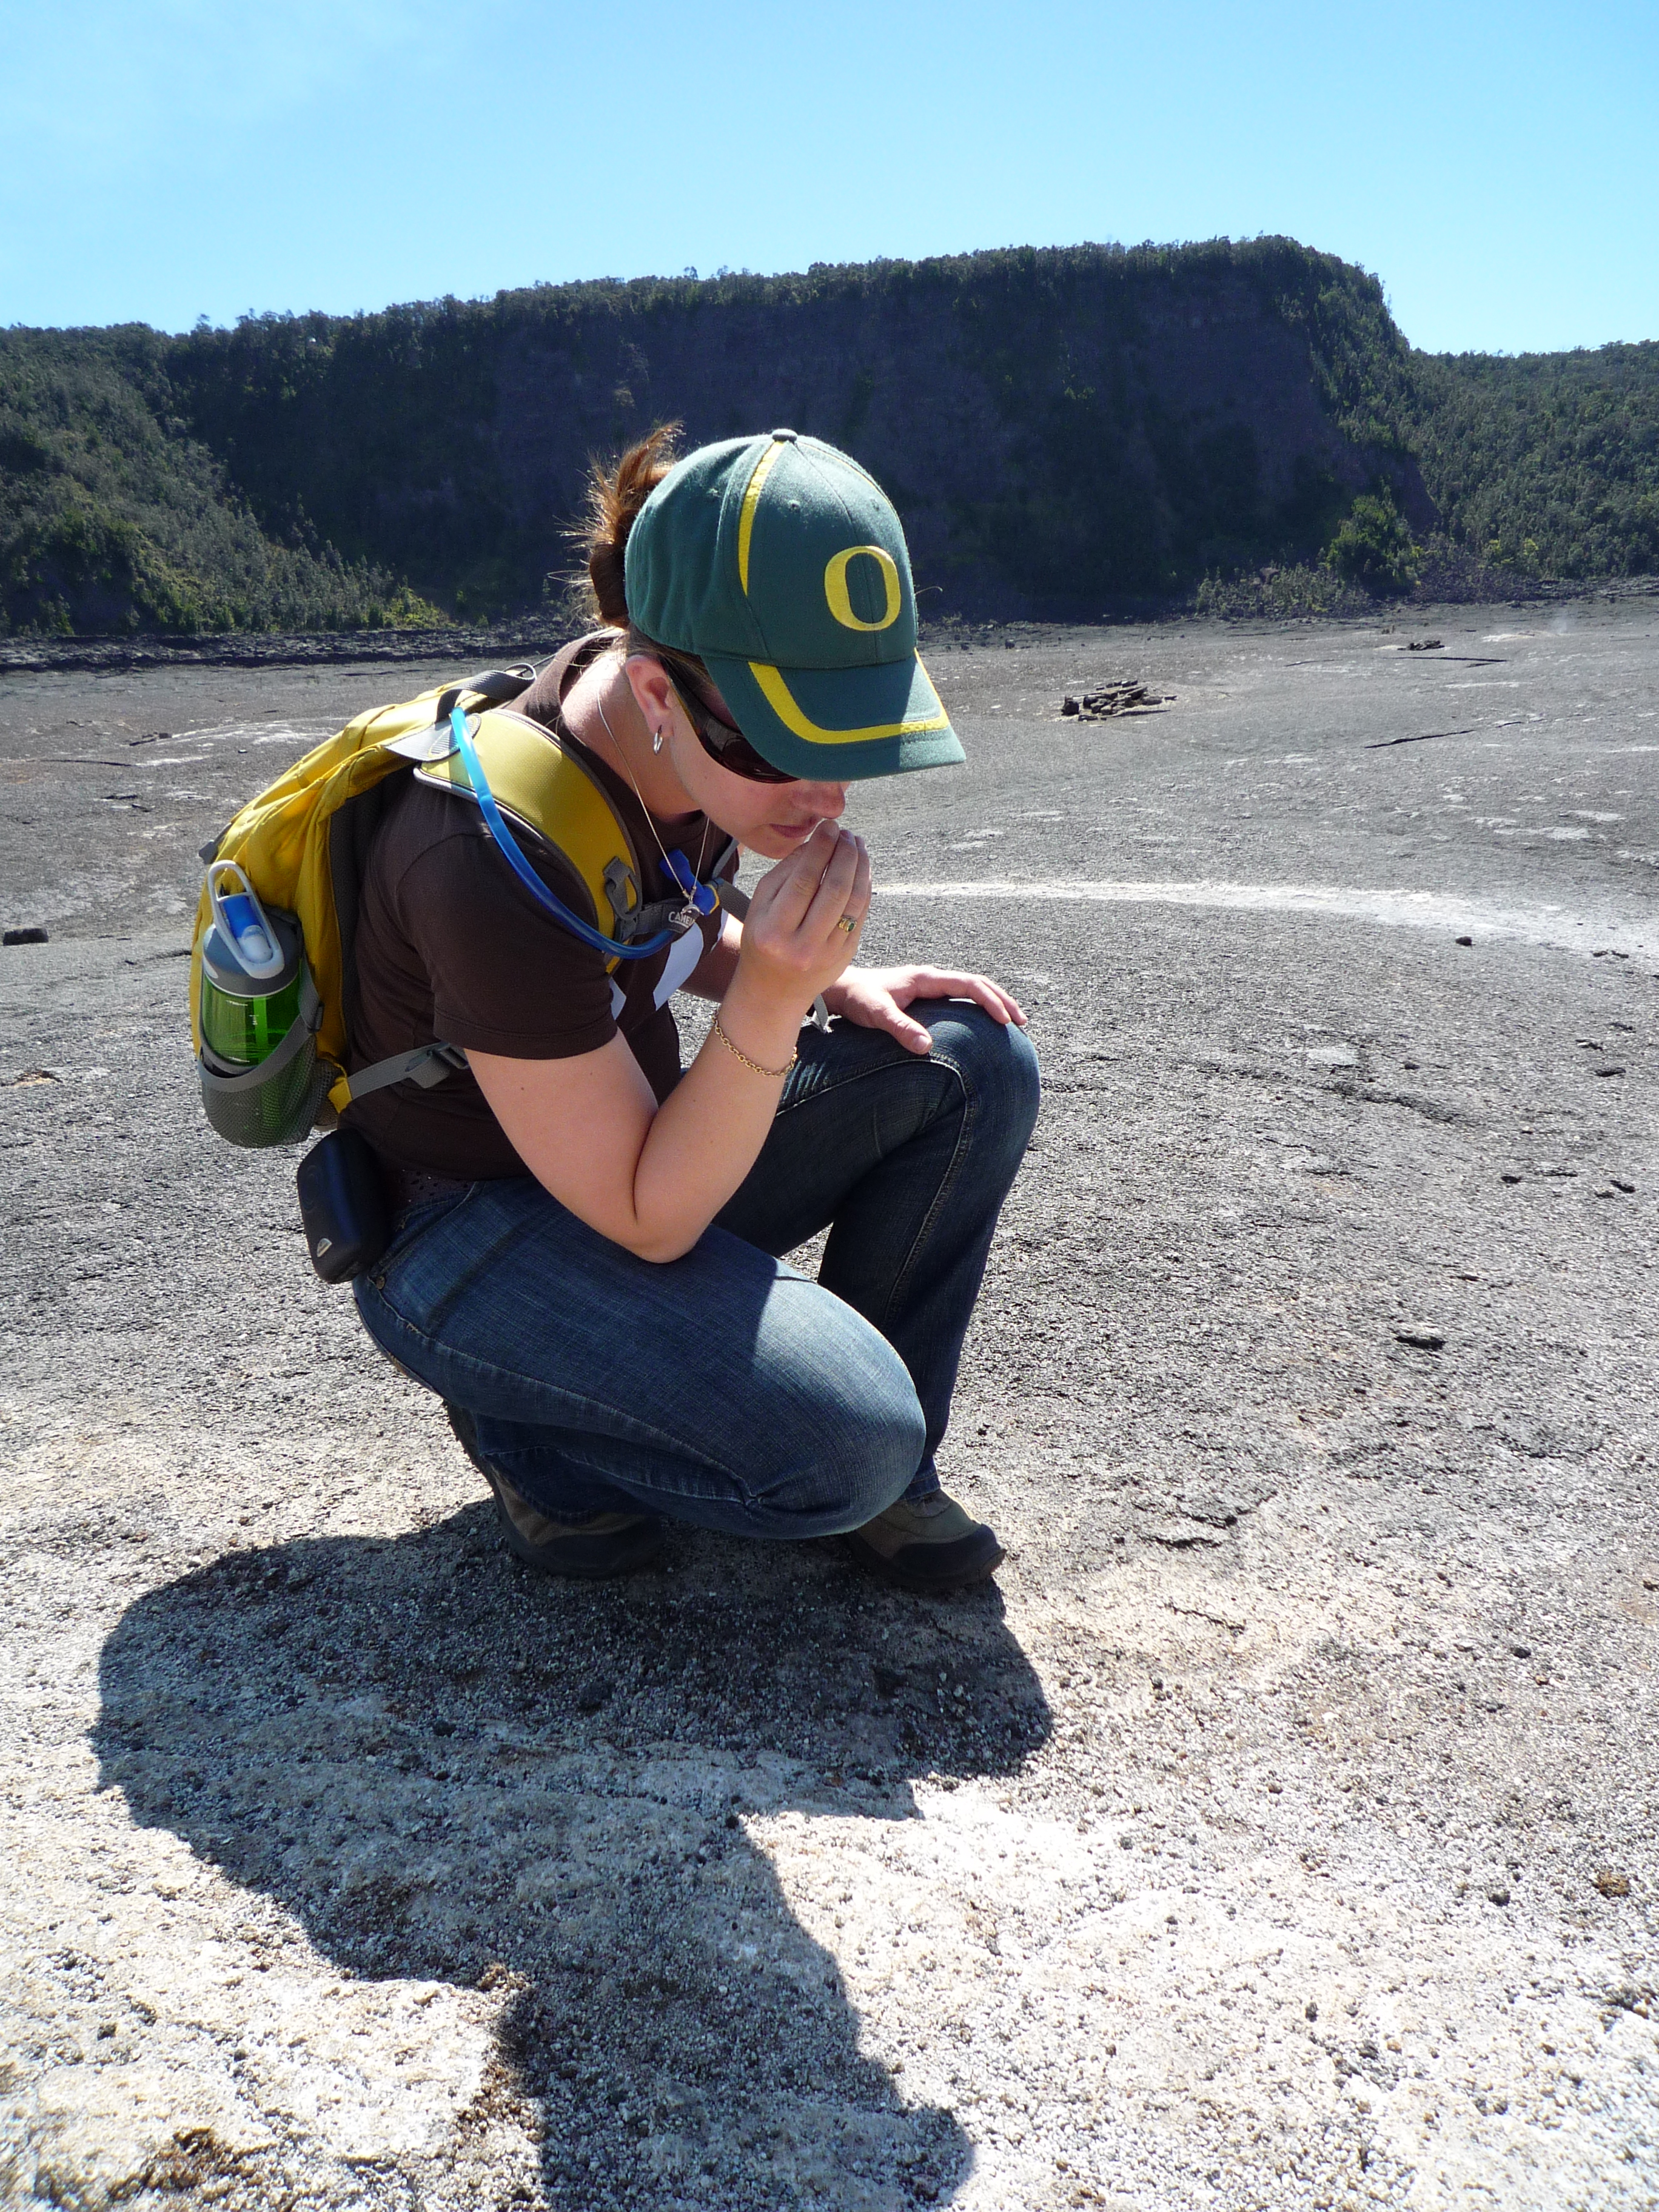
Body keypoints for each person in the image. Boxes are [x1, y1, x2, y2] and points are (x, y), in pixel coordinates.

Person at [346, 424, 1041, 1591]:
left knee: (968, 1063)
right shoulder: (482, 853)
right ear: (665, 692)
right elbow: (646, 1212)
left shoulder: (669, 726)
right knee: (847, 1443)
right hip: (469, 1229)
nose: (825, 798)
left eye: (854, 737)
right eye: (793, 747)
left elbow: (663, 915)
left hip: (626, 1140)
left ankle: (882, 1486)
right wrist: (768, 1005)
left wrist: (827, 980)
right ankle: (531, 1431)